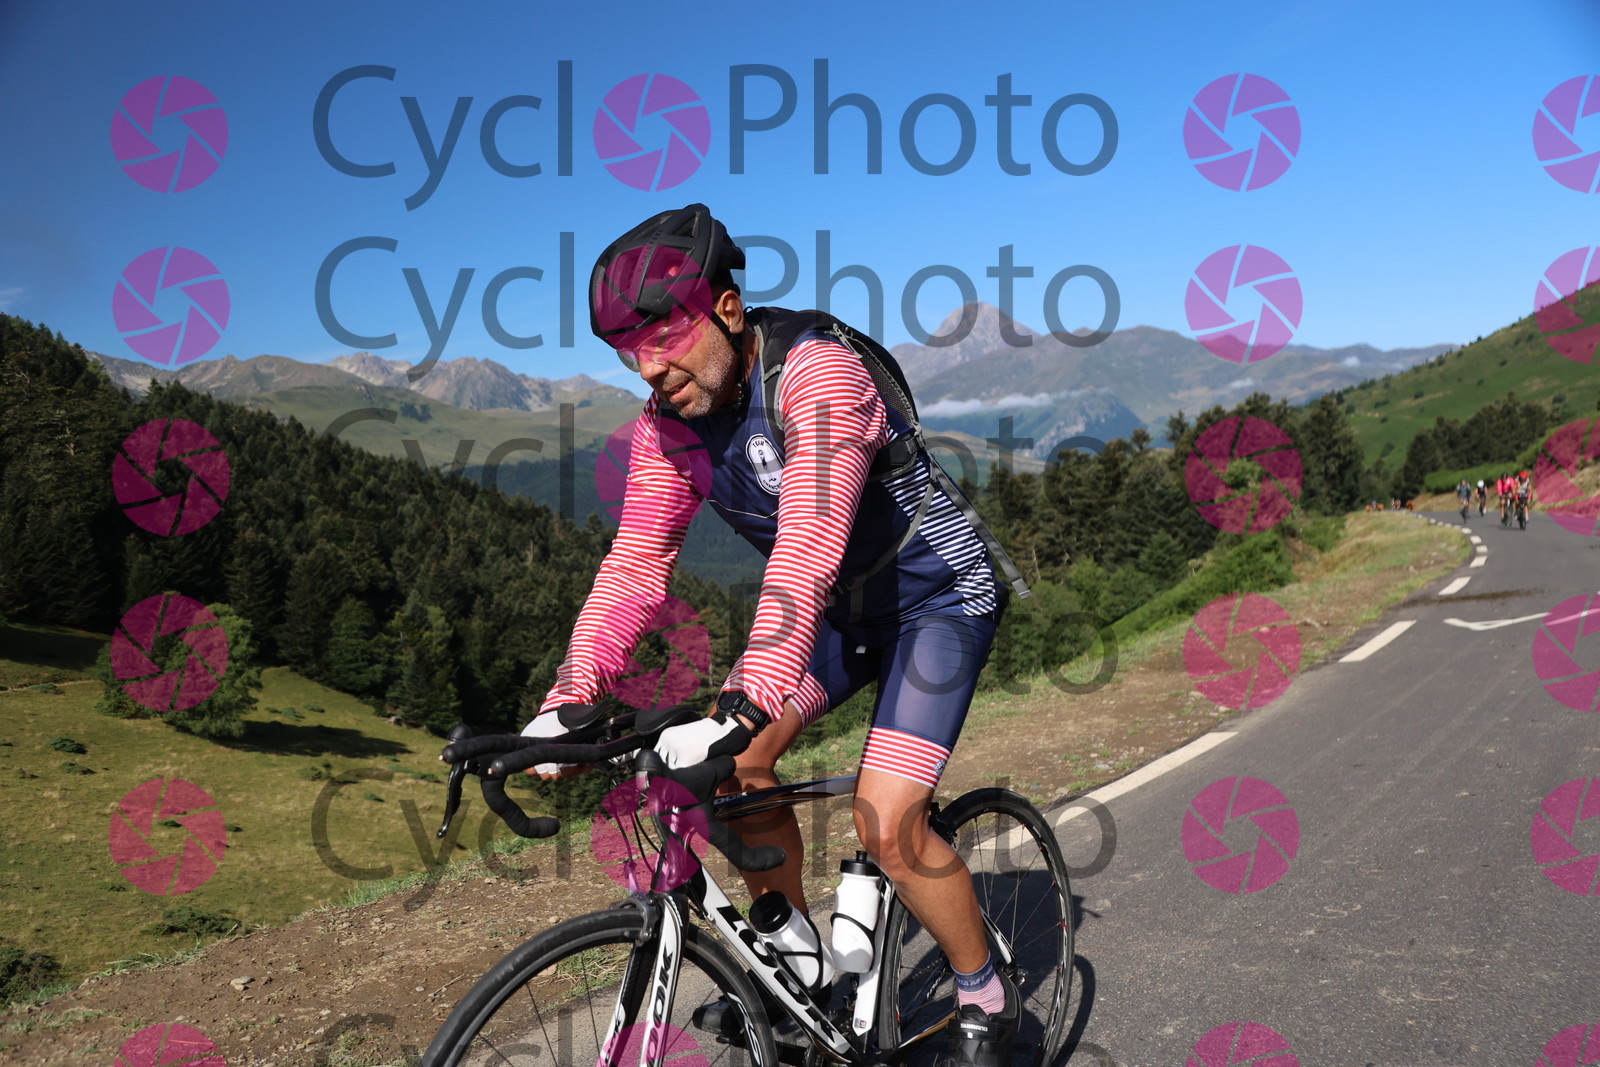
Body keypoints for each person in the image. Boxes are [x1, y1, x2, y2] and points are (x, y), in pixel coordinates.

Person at [524, 204, 1022, 1066]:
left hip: (938, 600)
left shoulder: (817, 374)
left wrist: (749, 693)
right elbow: (636, 564)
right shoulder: (667, 427)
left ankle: (986, 989)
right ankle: (801, 969)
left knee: (887, 823)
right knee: (736, 768)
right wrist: (568, 698)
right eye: (628, 350)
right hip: (840, 616)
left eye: (664, 337)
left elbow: (806, 545)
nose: (649, 367)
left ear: (725, 309)